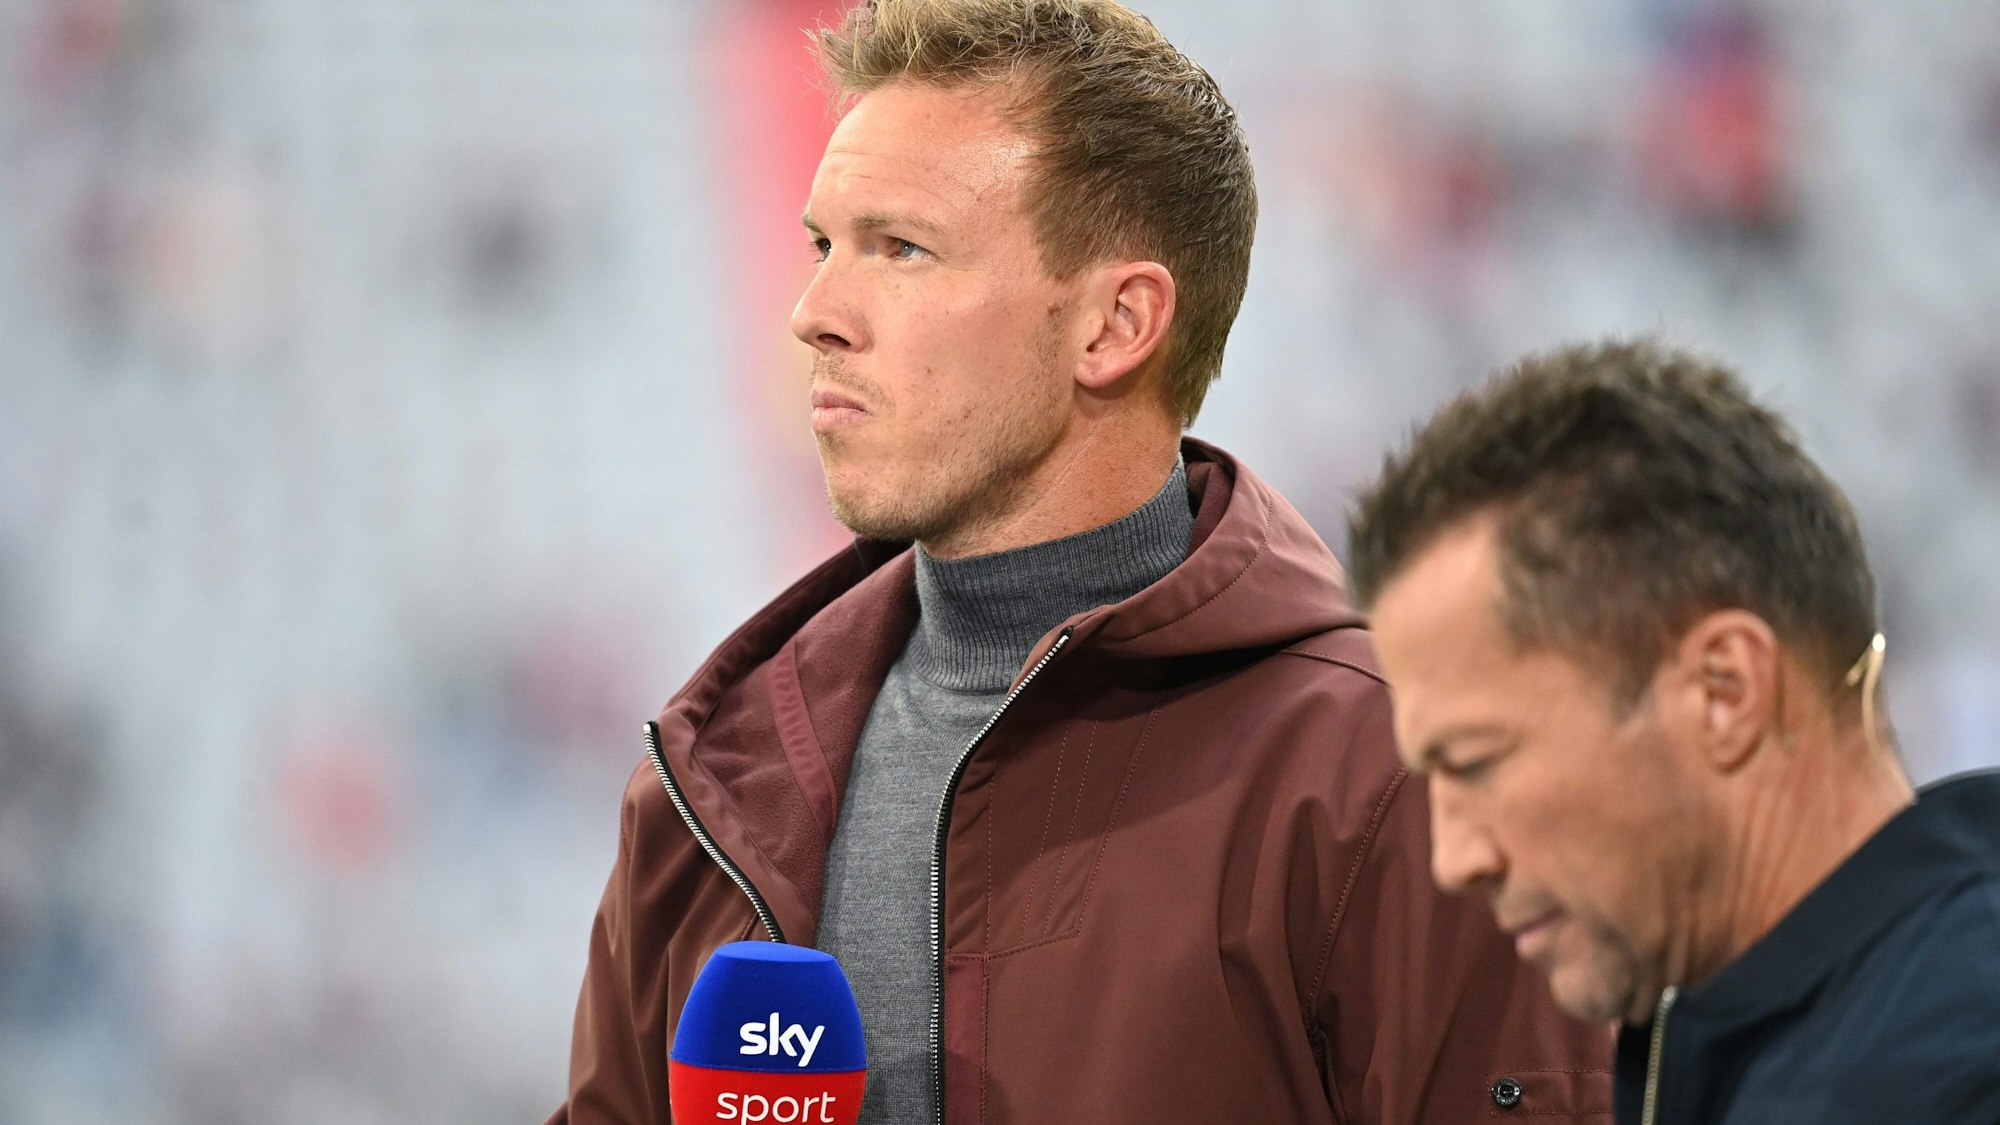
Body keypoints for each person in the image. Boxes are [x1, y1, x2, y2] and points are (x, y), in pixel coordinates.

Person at [547, 2, 1611, 1121]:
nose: (813, 313)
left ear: (1113, 326)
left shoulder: (1392, 779)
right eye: (822, 246)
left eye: (900, 249)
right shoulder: (712, 781)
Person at [1346, 338, 2000, 1125]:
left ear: (1724, 692)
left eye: (1479, 763)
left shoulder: (1940, 1075)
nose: (1454, 859)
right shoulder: (1775, 1034)